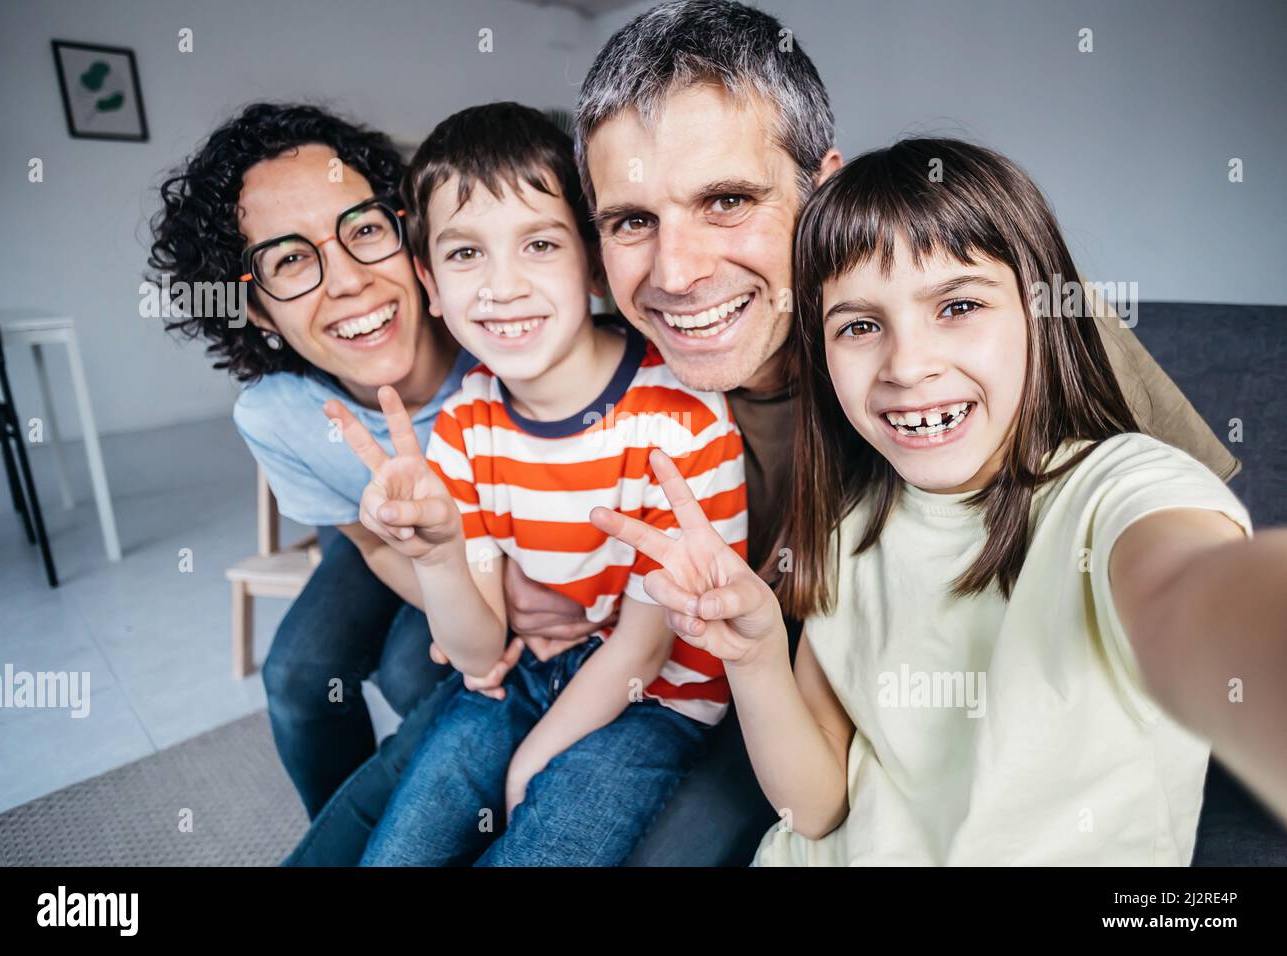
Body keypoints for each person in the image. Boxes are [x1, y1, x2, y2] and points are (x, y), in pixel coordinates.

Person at [290, 0, 1248, 865]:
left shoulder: (1006, 330)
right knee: (380, 803)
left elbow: (1174, 534)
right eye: (631, 220)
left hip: (766, 694)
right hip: (681, 662)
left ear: (821, 188)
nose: (676, 271)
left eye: (728, 201)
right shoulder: (612, 359)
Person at [590, 137, 1287, 864]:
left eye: (957, 305)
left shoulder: (1122, 488)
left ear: (1040, 314)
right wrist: (759, 657)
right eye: (859, 326)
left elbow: (1191, 591)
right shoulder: (844, 528)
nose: (908, 365)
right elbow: (816, 808)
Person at [326, 102, 748, 865]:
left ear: (591, 259)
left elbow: (644, 654)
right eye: (464, 256)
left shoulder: (684, 418)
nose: (501, 287)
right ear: (428, 281)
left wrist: (534, 759)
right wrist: (439, 554)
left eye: (539, 243)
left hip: (653, 700)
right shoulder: (464, 425)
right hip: (524, 673)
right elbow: (481, 650)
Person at [150, 103, 475, 816]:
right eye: (292, 260)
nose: (349, 280)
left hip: (489, 548)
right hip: (371, 539)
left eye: (362, 230)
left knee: (411, 673)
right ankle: (344, 829)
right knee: (298, 672)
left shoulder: (506, 349)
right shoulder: (278, 415)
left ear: (408, 232)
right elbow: (370, 545)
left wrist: (480, 617)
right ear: (258, 310)